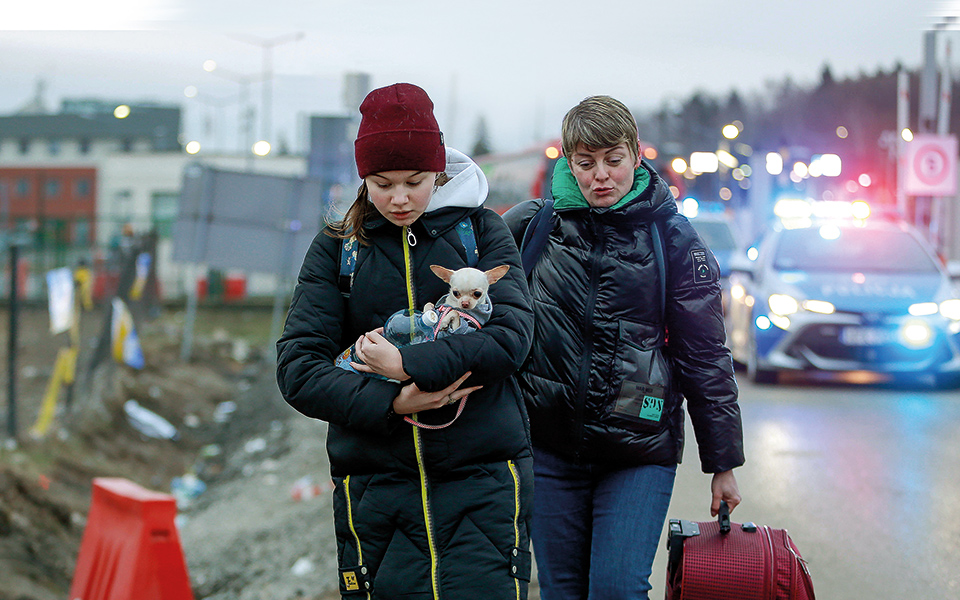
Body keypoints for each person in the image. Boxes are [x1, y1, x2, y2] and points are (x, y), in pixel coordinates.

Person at [276, 83, 535, 600]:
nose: (398, 198)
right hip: (376, 495)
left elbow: (512, 337)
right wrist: (393, 400)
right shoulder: (337, 249)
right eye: (381, 182)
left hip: (482, 486)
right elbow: (299, 369)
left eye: (414, 182)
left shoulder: (481, 233)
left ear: (438, 173)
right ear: (362, 178)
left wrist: (407, 364)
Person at [503, 95, 744, 600]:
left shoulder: (674, 240)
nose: (600, 176)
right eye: (585, 163)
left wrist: (722, 462)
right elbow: (489, 324)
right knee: (561, 590)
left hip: (638, 450)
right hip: (548, 449)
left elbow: (704, 355)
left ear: (635, 155)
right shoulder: (533, 228)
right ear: (569, 162)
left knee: (616, 589)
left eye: (613, 160)